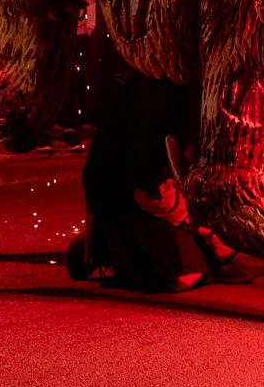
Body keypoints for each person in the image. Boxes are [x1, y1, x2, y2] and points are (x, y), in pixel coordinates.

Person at [67, 72, 249, 292]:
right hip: (128, 195)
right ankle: (101, 246)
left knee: (200, 254)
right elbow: (149, 195)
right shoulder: (155, 111)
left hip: (161, 191)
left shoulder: (199, 100)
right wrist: (210, 233)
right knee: (184, 275)